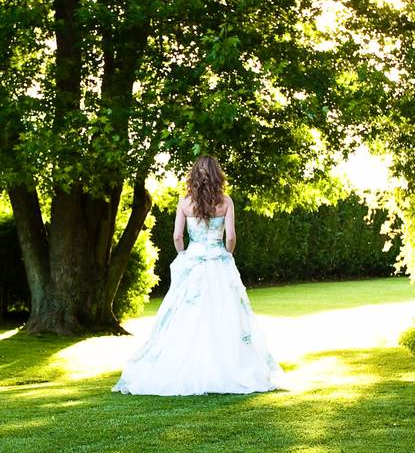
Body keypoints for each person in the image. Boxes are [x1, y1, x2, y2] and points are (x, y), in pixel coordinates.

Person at [113, 155, 287, 396]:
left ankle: (182, 365)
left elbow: (176, 236)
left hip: (193, 261)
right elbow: (231, 237)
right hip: (218, 261)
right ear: (217, 176)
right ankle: (228, 367)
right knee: (224, 311)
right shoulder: (225, 202)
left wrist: (185, 256)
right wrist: (226, 254)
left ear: (194, 176)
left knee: (186, 313)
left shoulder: (185, 203)